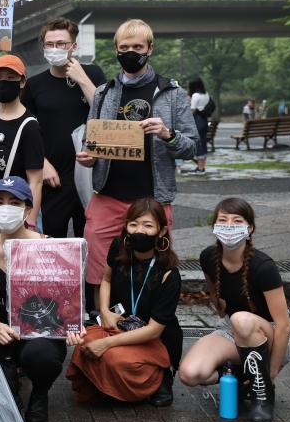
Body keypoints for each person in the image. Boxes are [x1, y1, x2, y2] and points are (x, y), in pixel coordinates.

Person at [75, 19, 198, 309]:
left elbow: (192, 147)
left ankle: (149, 325)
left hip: (152, 200)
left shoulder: (172, 93)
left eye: (138, 47)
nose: (131, 52)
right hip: (107, 196)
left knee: (154, 269)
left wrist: (168, 134)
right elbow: (91, 140)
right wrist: (88, 157)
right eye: (125, 47)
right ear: (116, 49)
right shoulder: (104, 93)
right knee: (96, 270)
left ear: (150, 49)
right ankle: (99, 319)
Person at [178, 197, 290, 422]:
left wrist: (271, 375)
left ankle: (263, 393)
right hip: (233, 330)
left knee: (241, 319)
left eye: (237, 221)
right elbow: (219, 305)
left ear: (249, 228)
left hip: (276, 334)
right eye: (223, 220)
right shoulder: (208, 257)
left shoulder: (264, 266)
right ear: (214, 226)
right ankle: (244, 378)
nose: (229, 226)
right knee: (190, 374)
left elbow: (284, 326)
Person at [66, 198, 183, 406]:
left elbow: (155, 330)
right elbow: (106, 279)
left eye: (148, 225)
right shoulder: (119, 245)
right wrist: (104, 310)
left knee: (114, 358)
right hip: (119, 323)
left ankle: (160, 376)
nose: (139, 231)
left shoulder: (169, 274)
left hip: (151, 336)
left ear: (162, 231)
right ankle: (107, 383)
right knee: (83, 343)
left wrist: (106, 343)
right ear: (126, 226)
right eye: (133, 224)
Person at [0, 176, 66, 422]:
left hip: (40, 324)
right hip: (2, 326)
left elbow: (66, 300)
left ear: (28, 209)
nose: (5, 208)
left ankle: (40, 392)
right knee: (5, 407)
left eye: (14, 202)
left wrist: (73, 327)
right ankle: (10, 388)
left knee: (42, 356)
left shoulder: (50, 247)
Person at [21, 17, 107, 238]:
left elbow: (105, 115)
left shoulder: (93, 74)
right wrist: (41, 163)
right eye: (50, 44)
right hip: (52, 179)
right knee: (51, 246)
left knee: (90, 243)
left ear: (73, 46)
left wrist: (82, 79)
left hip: (89, 176)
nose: (55, 49)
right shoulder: (34, 85)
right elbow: (23, 129)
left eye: (61, 44)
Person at [0, 55, 44, 226]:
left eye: (11, 78)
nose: (3, 83)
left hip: (13, 207)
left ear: (22, 82)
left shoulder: (29, 127)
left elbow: (36, 181)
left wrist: (30, 224)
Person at [188, 77, 210, 175]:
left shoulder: (196, 95)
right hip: (204, 120)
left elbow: (193, 110)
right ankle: (202, 165)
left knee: (199, 143)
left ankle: (200, 168)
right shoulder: (206, 94)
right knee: (203, 142)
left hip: (197, 120)